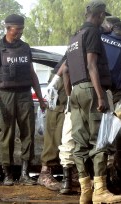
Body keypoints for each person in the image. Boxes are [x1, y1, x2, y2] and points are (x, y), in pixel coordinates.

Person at [63, 1, 121, 203]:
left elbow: (64, 70)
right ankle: (100, 191)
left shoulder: (75, 37)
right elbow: (91, 65)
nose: (103, 21)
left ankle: (85, 192)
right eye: (103, 17)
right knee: (100, 140)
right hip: (92, 89)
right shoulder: (93, 34)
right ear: (99, 15)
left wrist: (70, 96)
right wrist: (100, 95)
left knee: (79, 143)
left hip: (76, 92)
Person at [0, 14, 46, 186]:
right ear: (8, 28)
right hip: (6, 95)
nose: (20, 32)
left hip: (25, 95)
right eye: (17, 29)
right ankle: (8, 174)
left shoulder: (25, 47)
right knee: (8, 135)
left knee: (28, 133)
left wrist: (40, 98)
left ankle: (25, 173)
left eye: (22, 29)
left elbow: (32, 73)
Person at [37, 56, 67, 191]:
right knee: (55, 129)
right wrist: (56, 81)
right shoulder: (88, 37)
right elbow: (69, 60)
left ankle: (71, 173)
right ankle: (45, 172)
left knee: (70, 132)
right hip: (62, 79)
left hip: (70, 79)